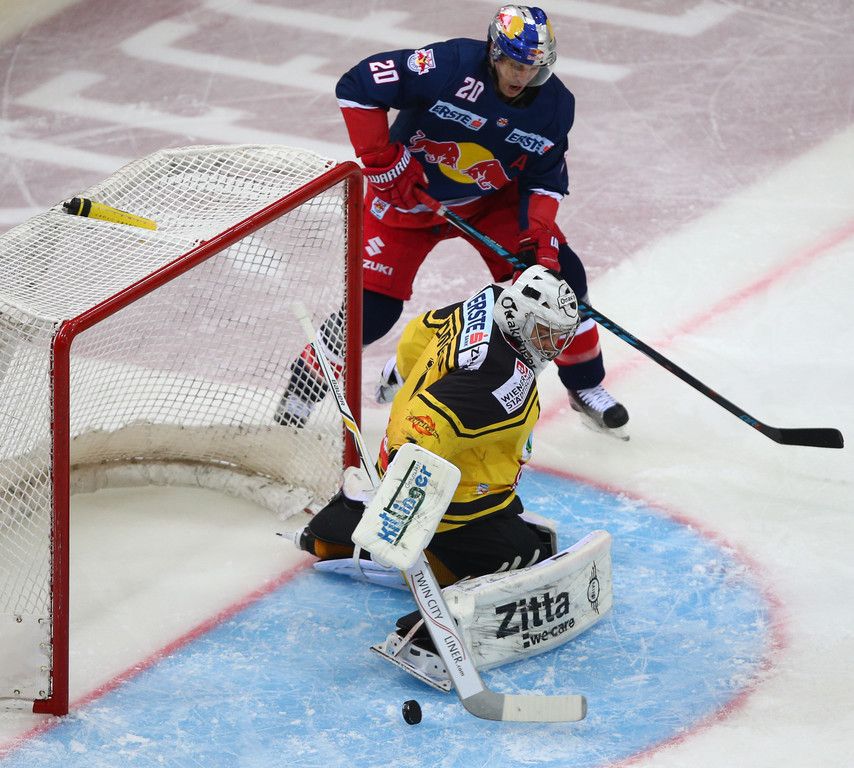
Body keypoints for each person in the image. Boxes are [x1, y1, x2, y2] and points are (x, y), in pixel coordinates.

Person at [275, 4, 628, 436]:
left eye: (533, 68)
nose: (522, 77)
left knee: (560, 283)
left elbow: (545, 177)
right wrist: (382, 159)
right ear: (494, 52)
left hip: (490, 201)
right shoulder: (448, 65)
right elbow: (357, 85)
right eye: (514, 64)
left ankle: (585, 384)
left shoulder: (555, 106)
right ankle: (304, 388)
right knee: (372, 314)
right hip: (407, 201)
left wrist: (538, 232)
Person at [294, 265, 580, 587]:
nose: (554, 346)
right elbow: (425, 427)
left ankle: (348, 516)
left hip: (423, 464)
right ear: (517, 316)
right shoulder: (501, 378)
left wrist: (403, 372)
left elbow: (419, 331)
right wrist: (402, 511)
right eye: (545, 332)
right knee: (525, 556)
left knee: (526, 538)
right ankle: (372, 547)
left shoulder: (487, 302)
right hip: (449, 502)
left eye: (559, 336)